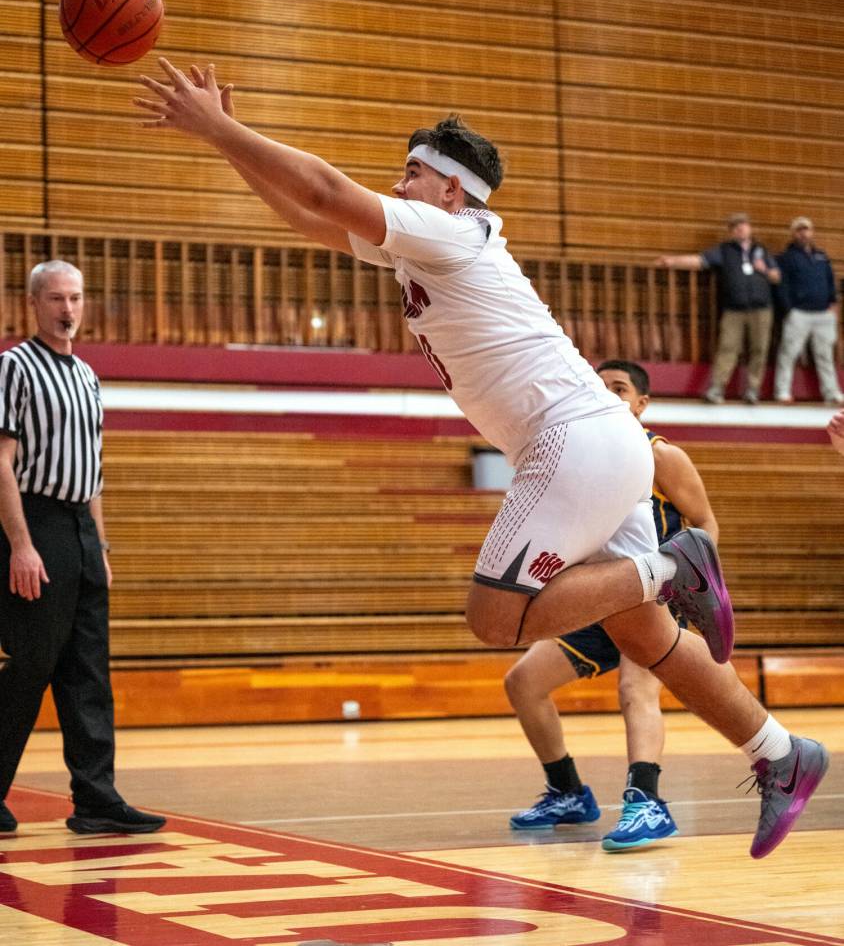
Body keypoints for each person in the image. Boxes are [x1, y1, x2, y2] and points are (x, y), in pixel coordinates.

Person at [134, 59, 828, 858]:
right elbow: (314, 221)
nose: (398, 184)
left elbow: (326, 190)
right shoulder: (425, 246)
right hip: (601, 442)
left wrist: (219, 126)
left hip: (569, 443)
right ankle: (779, 751)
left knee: (494, 616)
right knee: (649, 640)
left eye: (413, 173)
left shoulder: (450, 232)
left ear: (452, 190)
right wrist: (228, 149)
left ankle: (679, 566)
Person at [507, 360, 718, 850]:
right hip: (599, 595)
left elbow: (707, 524)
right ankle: (567, 793)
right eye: (597, 389)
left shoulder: (661, 455)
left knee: (635, 688)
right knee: (523, 683)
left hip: (653, 593)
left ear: (642, 404)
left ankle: (647, 803)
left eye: (618, 389)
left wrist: (694, 587)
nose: (606, 396)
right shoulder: (579, 459)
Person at [0, 260, 166, 836]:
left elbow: (92, 470)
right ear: (33, 304)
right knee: (30, 664)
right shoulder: (13, 367)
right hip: (35, 524)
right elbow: (1, 462)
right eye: (55, 299)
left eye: (74, 298)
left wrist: (101, 546)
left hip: (80, 528)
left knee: (88, 670)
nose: (67, 309)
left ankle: (96, 797)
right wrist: (20, 545)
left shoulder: (88, 377)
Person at [657, 213, 780, 405]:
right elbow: (700, 261)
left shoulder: (761, 251)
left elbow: (776, 276)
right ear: (731, 231)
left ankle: (753, 390)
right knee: (727, 348)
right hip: (734, 309)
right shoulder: (724, 250)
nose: (740, 228)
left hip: (761, 308)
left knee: (759, 349)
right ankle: (717, 388)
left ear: (750, 228)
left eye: (743, 225)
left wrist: (763, 269)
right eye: (735, 226)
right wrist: (672, 261)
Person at [773, 217, 843, 406]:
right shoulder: (786, 258)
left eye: (807, 229)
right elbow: (781, 285)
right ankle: (782, 391)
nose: (804, 233)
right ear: (793, 233)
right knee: (789, 353)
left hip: (823, 313)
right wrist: (789, 309)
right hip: (799, 314)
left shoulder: (821, 256)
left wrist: (833, 304)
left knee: (825, 354)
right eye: (799, 230)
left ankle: (831, 392)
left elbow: (830, 281)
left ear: (812, 232)